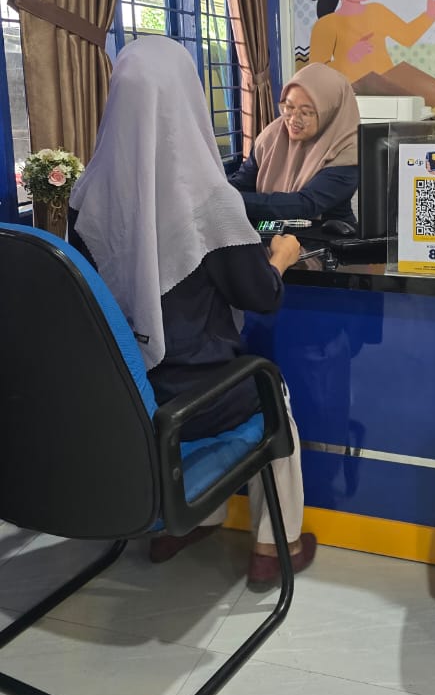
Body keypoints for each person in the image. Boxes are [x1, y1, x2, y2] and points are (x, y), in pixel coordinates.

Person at [68, 36, 316, 586]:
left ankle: (186, 523)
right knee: (271, 391)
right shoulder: (210, 203)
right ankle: (276, 546)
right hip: (194, 399)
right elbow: (262, 296)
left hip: (123, 398)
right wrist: (281, 256)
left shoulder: (86, 197)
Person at [229, 63, 360, 226]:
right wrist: (214, 194)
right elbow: (243, 183)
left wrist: (230, 200)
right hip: (273, 230)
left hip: (325, 235)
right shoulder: (272, 136)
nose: (293, 120)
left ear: (330, 112)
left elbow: (305, 204)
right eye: (289, 107)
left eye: (305, 112)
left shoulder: (348, 150)